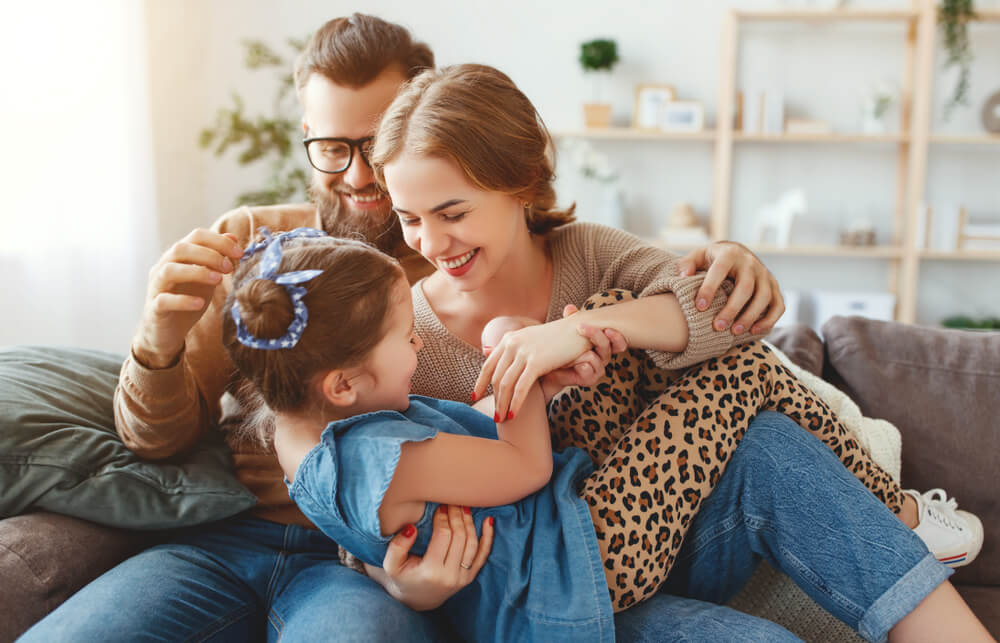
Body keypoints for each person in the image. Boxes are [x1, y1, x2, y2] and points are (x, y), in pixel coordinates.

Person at [20, 14, 792, 641]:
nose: (358, 175)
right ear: (306, 137)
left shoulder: (459, 263)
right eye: (332, 146)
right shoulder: (264, 252)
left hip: (355, 559)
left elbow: (503, 429)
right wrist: (157, 339)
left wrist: (724, 256)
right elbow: (157, 437)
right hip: (228, 532)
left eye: (374, 144)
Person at [366, 62, 989, 640]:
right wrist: (400, 583)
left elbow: (721, 318)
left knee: (762, 435)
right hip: (557, 585)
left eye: (452, 212)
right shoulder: (407, 334)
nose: (431, 242)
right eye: (409, 218)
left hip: (672, 531)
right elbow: (362, 476)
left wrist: (578, 329)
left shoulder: (584, 251)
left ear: (521, 185)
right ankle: (902, 516)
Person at [221, 228, 991, 643]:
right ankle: (904, 518)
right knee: (738, 378)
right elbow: (521, 468)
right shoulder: (371, 456)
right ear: (343, 383)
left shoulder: (320, 441)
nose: (419, 346)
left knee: (758, 438)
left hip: (570, 551)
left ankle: (911, 561)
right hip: (578, 564)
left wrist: (554, 356)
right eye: (403, 338)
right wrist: (510, 347)